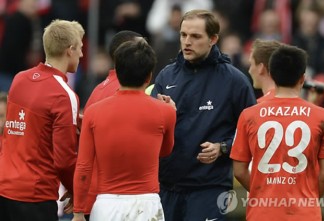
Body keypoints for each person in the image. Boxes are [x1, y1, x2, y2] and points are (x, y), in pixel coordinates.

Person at [151, 9, 256, 221]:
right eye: (183, 35)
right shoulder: (166, 75)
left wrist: (223, 147)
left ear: (213, 39)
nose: (187, 41)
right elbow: (150, 130)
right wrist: (165, 116)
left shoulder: (234, 81)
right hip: (166, 187)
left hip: (210, 188)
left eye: (196, 36)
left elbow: (252, 133)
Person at [231, 44, 324, 221]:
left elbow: (239, 170)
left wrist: (263, 194)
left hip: (262, 213)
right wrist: (308, 199)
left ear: (271, 74)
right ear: (303, 79)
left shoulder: (249, 115)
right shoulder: (323, 116)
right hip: (305, 214)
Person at [72, 40, 176, 221]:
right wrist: (171, 115)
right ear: (149, 77)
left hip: (107, 205)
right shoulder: (166, 111)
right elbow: (165, 151)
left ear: (117, 73)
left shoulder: (93, 112)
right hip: (147, 204)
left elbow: (84, 166)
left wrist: (79, 211)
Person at [0, 19, 84, 221]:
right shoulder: (64, 95)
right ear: (70, 50)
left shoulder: (20, 79)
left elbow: (23, 128)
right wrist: (76, 191)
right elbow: (64, 159)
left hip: (4, 189)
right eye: (80, 48)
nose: (82, 54)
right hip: (35, 197)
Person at [82, 30, 145, 220]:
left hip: (95, 196)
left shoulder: (98, 90)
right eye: (142, 48)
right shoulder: (125, 92)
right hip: (116, 199)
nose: (149, 53)